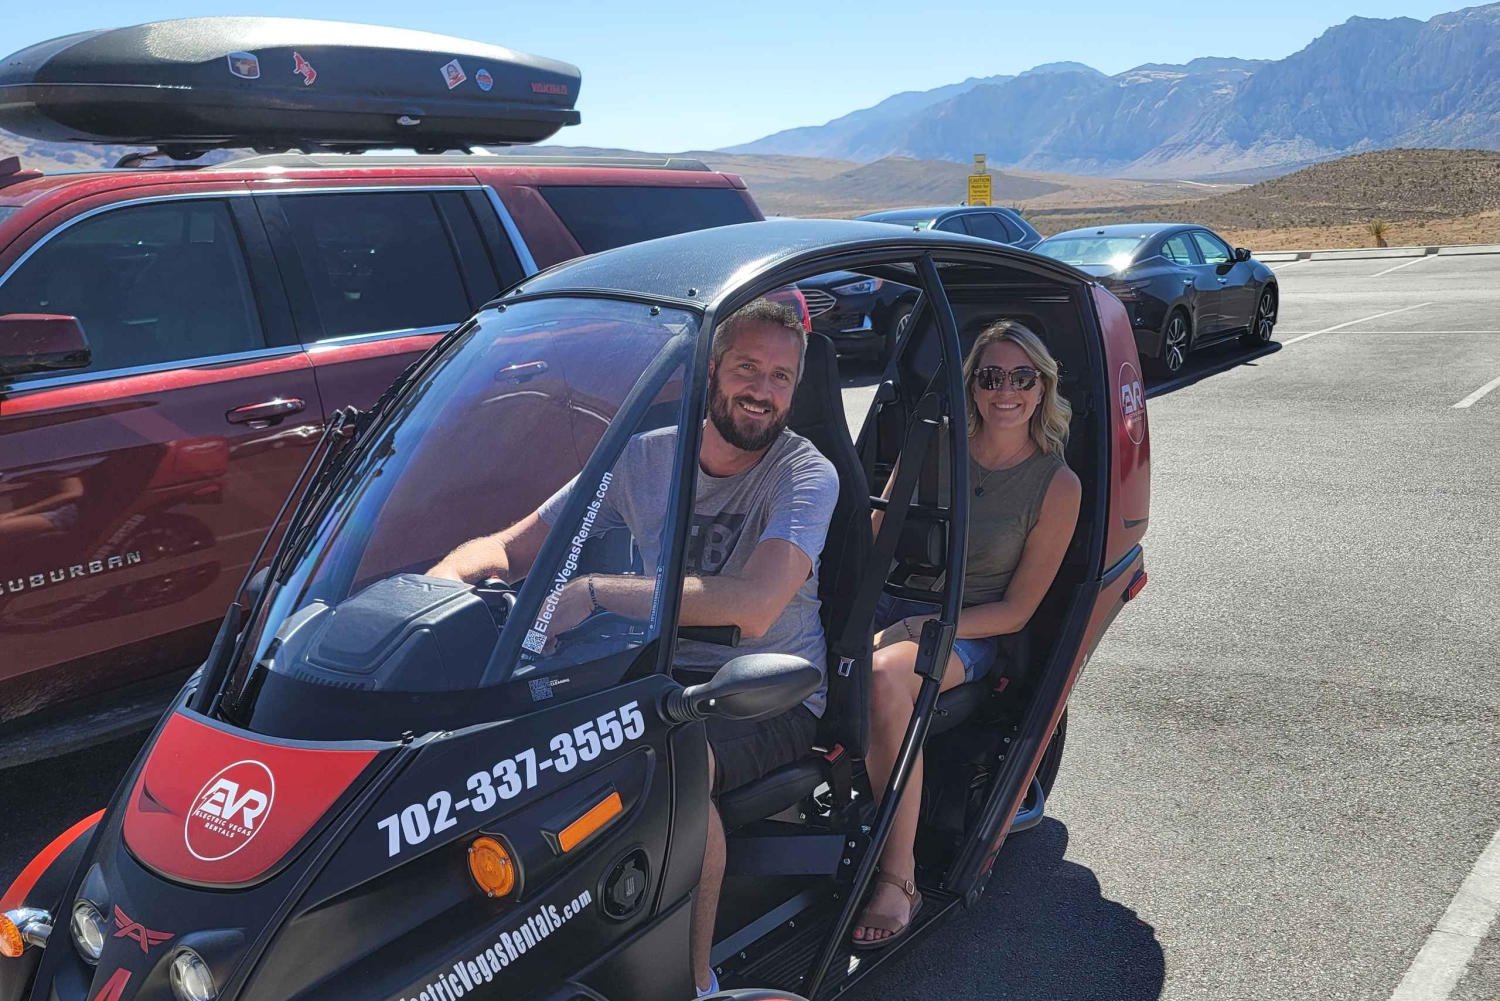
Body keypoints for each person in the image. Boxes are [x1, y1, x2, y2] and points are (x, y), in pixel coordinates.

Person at [429, 298, 838, 996]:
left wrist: (593, 592)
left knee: (677, 769)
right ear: (712, 370)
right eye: (747, 367)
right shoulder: (646, 456)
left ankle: (693, 978)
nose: (762, 390)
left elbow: (755, 605)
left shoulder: (805, 473)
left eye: (780, 376)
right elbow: (510, 544)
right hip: (658, 678)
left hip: (767, 689)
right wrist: (429, 598)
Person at [851, 319, 1081, 948]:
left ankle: (900, 878)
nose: (1005, 390)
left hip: (973, 627)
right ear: (972, 386)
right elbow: (877, 542)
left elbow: (1017, 610)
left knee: (884, 676)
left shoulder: (1056, 485)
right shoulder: (932, 445)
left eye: (1021, 377)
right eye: (990, 377)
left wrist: (920, 624)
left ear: (1042, 387)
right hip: (896, 602)